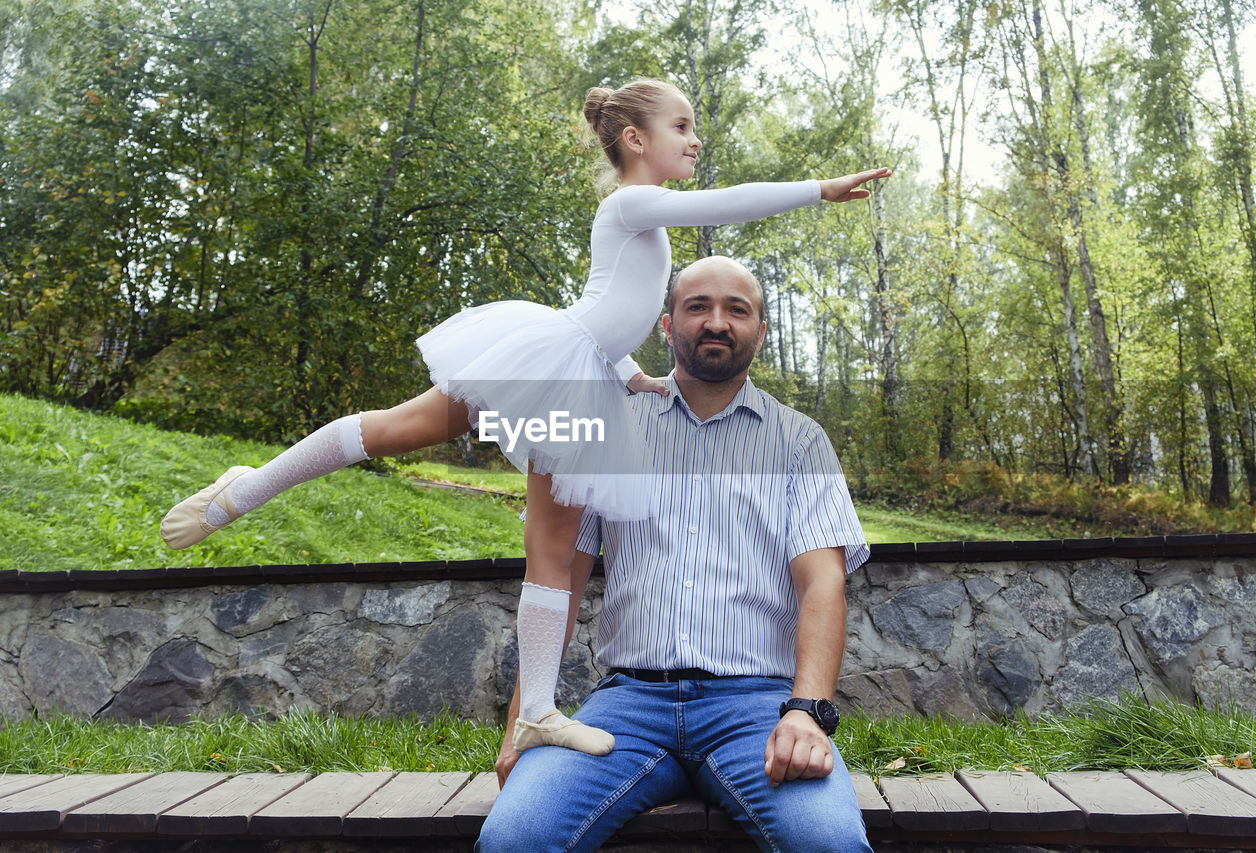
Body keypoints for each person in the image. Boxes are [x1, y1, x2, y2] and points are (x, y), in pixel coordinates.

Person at [160, 77, 890, 758]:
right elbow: (724, 206)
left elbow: (613, 314)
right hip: (555, 364)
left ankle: (535, 707)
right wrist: (817, 190)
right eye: (681, 125)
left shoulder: (640, 218)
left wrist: (631, 375)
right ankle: (249, 487)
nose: (694, 139)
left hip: (579, 371)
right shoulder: (633, 203)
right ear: (636, 140)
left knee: (542, 528)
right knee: (414, 442)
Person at [477, 255, 874, 853]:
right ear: (667, 326)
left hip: (757, 708)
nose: (717, 322)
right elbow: (559, 580)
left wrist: (808, 713)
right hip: (626, 708)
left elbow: (823, 585)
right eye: (698, 307)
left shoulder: (800, 440)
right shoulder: (608, 431)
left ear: (760, 331)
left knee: (831, 844)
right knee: (515, 838)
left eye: (736, 310)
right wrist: (520, 724)